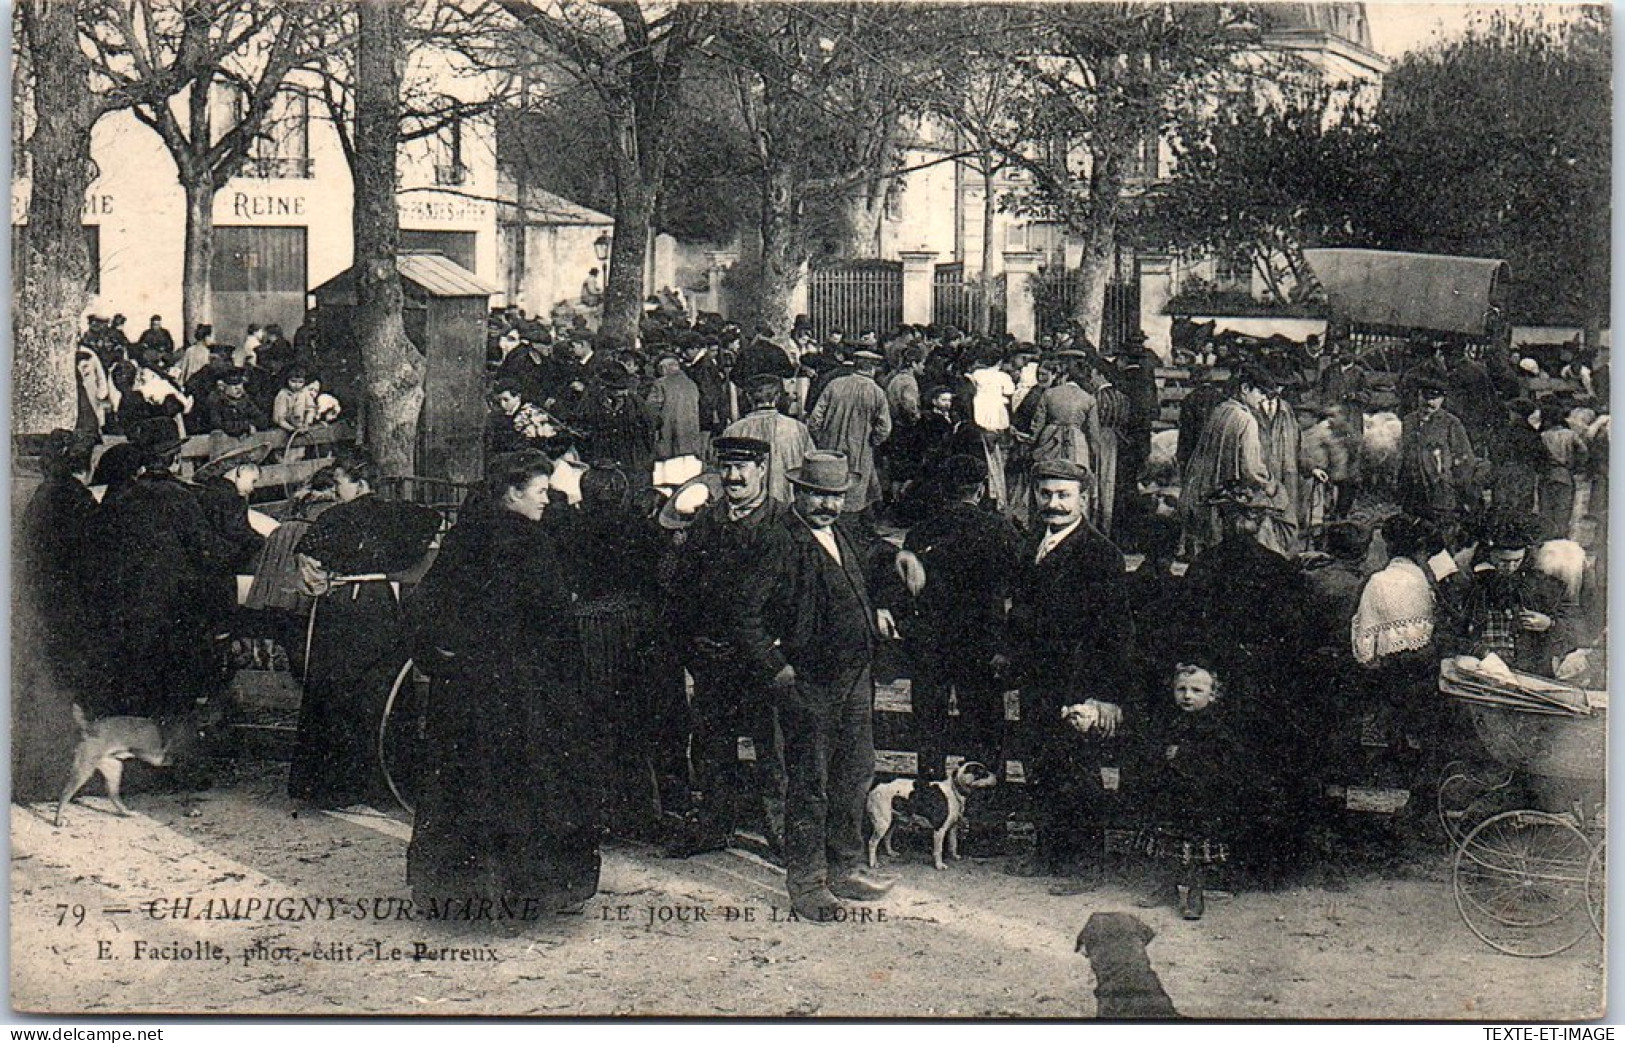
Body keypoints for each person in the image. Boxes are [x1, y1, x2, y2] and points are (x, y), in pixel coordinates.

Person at [407, 450, 603, 924]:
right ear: (513, 492)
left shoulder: (464, 537)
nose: (546, 501)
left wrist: (441, 656)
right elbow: (554, 619)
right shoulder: (531, 544)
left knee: (465, 783)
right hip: (522, 693)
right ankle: (530, 893)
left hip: (466, 692)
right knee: (527, 785)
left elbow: (424, 605)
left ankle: (454, 891)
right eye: (540, 492)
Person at [760, 450, 897, 920]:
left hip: (856, 677)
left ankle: (845, 867)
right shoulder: (779, 540)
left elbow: (871, 558)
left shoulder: (841, 531)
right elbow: (743, 613)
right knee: (810, 782)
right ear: (799, 493)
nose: (828, 505)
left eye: (836, 497)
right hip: (810, 683)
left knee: (854, 774)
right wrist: (776, 666)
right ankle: (807, 884)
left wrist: (896, 574)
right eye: (818, 495)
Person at [1002, 458, 1135, 892]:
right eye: (1046, 494)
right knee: (1040, 764)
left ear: (1084, 499)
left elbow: (1115, 632)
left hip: (1079, 683)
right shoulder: (1032, 546)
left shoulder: (1101, 556)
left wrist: (1105, 697)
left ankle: (1084, 864)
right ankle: (1048, 851)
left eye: (1064, 495)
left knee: (1078, 770)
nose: (1054, 504)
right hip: (1039, 680)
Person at [290, 447, 441, 808]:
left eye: (340, 481)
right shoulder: (402, 514)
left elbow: (309, 568)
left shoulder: (334, 518)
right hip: (382, 604)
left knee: (338, 688)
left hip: (343, 607)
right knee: (382, 688)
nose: (336, 489)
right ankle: (385, 785)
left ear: (359, 483)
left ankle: (337, 787)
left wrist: (325, 584)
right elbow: (432, 529)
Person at [665, 437, 791, 859]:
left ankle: (781, 832)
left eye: (744, 468)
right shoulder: (707, 521)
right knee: (712, 744)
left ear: (762, 469)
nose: (734, 477)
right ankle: (715, 825)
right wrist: (692, 646)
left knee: (771, 746)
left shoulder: (781, 522)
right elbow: (685, 586)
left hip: (758, 659)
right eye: (727, 468)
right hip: (712, 655)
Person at [81, 418, 237, 719]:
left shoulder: (119, 498)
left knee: (136, 690)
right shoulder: (181, 498)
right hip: (171, 611)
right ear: (175, 459)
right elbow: (208, 553)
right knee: (171, 695)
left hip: (125, 611)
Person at [897, 453, 1022, 781]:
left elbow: (906, 587)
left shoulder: (922, 532)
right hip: (982, 645)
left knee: (930, 732)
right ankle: (985, 817)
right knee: (985, 732)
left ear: (943, 489)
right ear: (981, 490)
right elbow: (1021, 587)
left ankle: (930, 802)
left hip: (932, 644)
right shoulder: (1001, 531)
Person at [1134, 662, 1251, 920]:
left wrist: (1184, 755)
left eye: (1196, 690)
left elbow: (1223, 762)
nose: (1187, 696)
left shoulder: (1216, 727)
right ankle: (1166, 888)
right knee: (1166, 845)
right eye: (1181, 689)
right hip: (1169, 796)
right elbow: (1154, 750)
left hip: (1200, 799)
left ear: (1212, 695)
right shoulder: (1169, 722)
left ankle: (1195, 893)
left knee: (1196, 851)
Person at [1178, 363, 1297, 557]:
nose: (1263, 399)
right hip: (1227, 498)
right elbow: (1251, 468)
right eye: (1260, 392)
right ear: (1244, 388)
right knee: (1282, 512)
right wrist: (1270, 484)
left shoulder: (1222, 410)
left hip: (1204, 492)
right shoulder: (1245, 419)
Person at [1456, 511, 1572, 677]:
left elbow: (1577, 627)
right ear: (1490, 554)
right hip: (1481, 670)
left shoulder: (1544, 585)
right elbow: (1449, 633)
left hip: (1528, 673)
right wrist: (1478, 651)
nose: (1510, 568)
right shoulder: (1470, 585)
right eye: (1503, 562)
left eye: (1516, 561)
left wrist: (1549, 624)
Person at [806, 350, 892, 526]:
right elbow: (884, 428)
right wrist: (871, 442)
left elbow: (814, 420)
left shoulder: (834, 385)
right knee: (855, 491)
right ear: (873, 369)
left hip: (829, 449)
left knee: (829, 487)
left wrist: (822, 438)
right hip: (860, 450)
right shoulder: (877, 392)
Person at [722, 374, 816, 505]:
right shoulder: (797, 428)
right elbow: (812, 468)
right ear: (777, 397)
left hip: (750, 506)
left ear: (749, 397)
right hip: (787, 503)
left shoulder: (733, 431)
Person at [1398, 378, 1476, 517]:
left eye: (1435, 398)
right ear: (1418, 396)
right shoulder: (1409, 421)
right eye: (1425, 397)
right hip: (1413, 492)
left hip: (1440, 491)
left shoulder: (1451, 423)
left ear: (1443, 399)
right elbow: (1405, 454)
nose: (1429, 403)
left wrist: (1453, 485)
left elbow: (1464, 458)